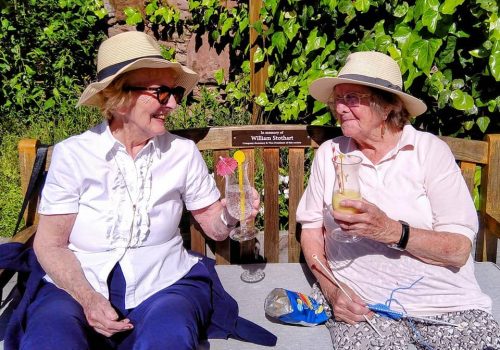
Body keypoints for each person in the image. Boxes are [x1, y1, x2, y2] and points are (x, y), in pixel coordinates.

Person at [19, 31, 270, 350]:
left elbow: (214, 228)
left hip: (165, 283)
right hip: (77, 283)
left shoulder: (181, 153)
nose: (175, 103)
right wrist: (88, 298)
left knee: (169, 336)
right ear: (119, 97)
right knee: (50, 338)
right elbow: (51, 245)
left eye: (175, 91)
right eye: (162, 93)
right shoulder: (74, 155)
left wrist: (231, 214)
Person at [297, 51, 500, 349]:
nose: (339, 108)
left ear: (388, 106)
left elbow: (458, 250)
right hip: (365, 307)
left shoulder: (428, 152)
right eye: (336, 99)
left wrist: (392, 231)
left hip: (445, 304)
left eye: (352, 98)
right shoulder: (331, 154)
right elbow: (312, 232)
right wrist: (332, 291)